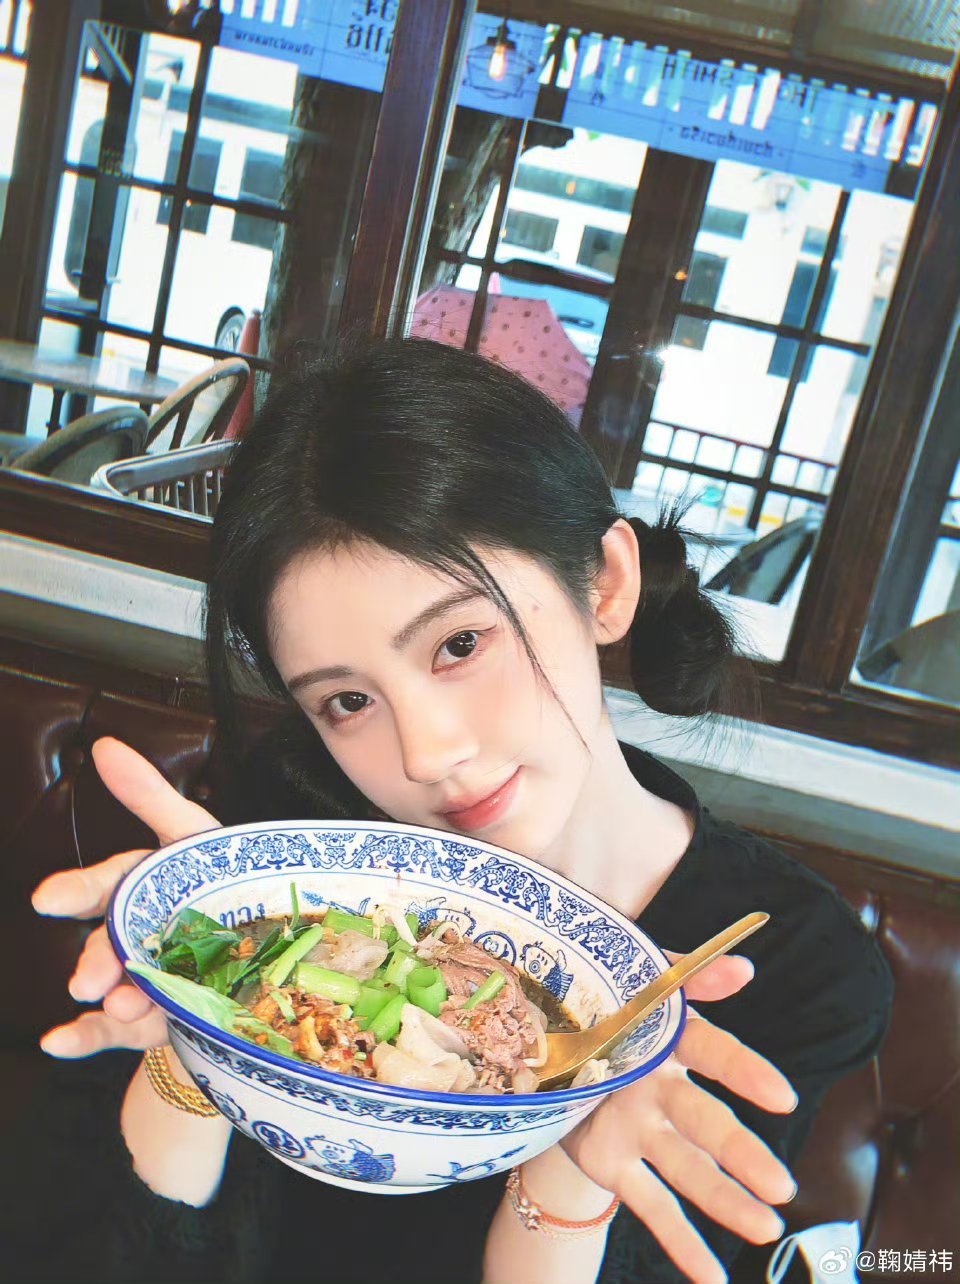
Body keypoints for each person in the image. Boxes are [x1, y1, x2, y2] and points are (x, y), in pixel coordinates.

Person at [23, 339, 893, 1284]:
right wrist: (208, 1018)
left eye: (461, 643)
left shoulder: (797, 964)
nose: (423, 755)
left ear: (604, 583)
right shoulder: (302, 843)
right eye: (346, 701)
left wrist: (567, 1176)